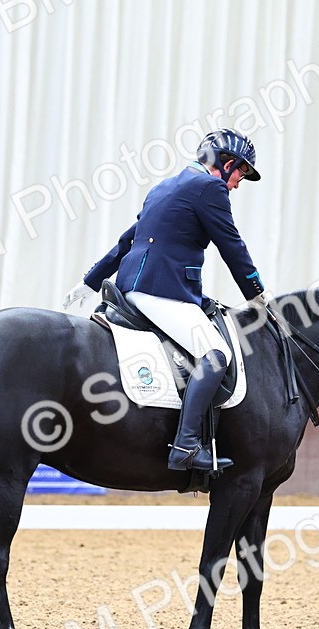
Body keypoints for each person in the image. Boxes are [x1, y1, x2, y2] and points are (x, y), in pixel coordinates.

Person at [62, 129, 272, 472]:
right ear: (228, 163)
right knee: (216, 355)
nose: (237, 184)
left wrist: (91, 282)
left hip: (136, 285)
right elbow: (232, 246)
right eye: (240, 175)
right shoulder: (210, 188)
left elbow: (126, 242)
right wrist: (257, 294)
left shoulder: (164, 187)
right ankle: (186, 446)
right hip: (161, 291)